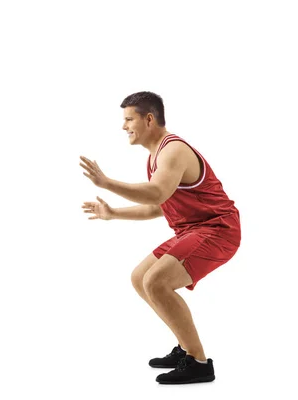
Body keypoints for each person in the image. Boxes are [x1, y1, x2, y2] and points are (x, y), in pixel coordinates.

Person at [80, 91, 240, 384]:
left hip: (218, 229)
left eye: (129, 119)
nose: (124, 126)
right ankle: (185, 347)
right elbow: (158, 205)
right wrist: (113, 212)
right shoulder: (155, 158)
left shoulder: (173, 150)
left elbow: (156, 192)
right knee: (141, 278)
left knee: (157, 282)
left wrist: (106, 182)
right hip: (193, 230)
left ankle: (199, 362)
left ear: (149, 119)